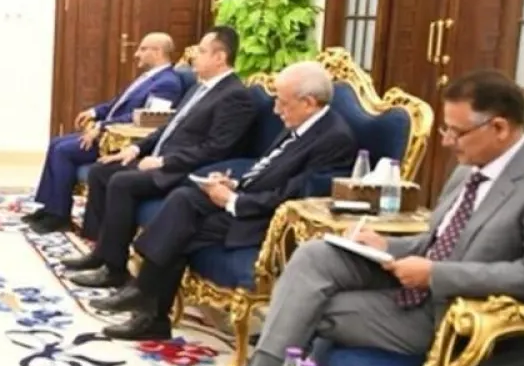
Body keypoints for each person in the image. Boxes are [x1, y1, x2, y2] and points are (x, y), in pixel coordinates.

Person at [231, 70, 524, 366]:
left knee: (307, 305)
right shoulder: (469, 168)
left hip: (455, 316)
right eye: (445, 128)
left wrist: (436, 274)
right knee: (314, 255)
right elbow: (439, 239)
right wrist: (386, 245)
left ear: (500, 128)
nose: (447, 140)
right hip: (414, 285)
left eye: (457, 131)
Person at [93, 61, 357, 341]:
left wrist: (234, 200)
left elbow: (296, 195)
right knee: (184, 199)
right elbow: (268, 168)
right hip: (249, 197)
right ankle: (146, 303)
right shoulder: (303, 120)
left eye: (282, 102)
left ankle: (147, 304)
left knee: (181, 228)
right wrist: (235, 183)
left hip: (266, 218)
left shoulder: (333, 139)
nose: (276, 110)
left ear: (308, 102)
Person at [62, 26, 257, 289]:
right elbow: (168, 127)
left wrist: (164, 161)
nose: (193, 58)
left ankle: (115, 268)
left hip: (185, 169)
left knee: (121, 182)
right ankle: (101, 253)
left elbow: (216, 148)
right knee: (101, 171)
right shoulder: (199, 88)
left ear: (220, 57)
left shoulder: (235, 96)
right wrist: (136, 149)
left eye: (200, 51)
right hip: (161, 158)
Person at [25, 32, 184, 234]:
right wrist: (94, 112)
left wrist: (101, 126)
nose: (136, 54)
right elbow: (116, 104)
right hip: (108, 130)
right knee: (56, 143)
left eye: (143, 49)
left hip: (119, 140)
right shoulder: (148, 78)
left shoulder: (167, 83)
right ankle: (49, 208)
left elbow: (144, 119)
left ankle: (59, 216)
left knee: (64, 151)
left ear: (158, 52)